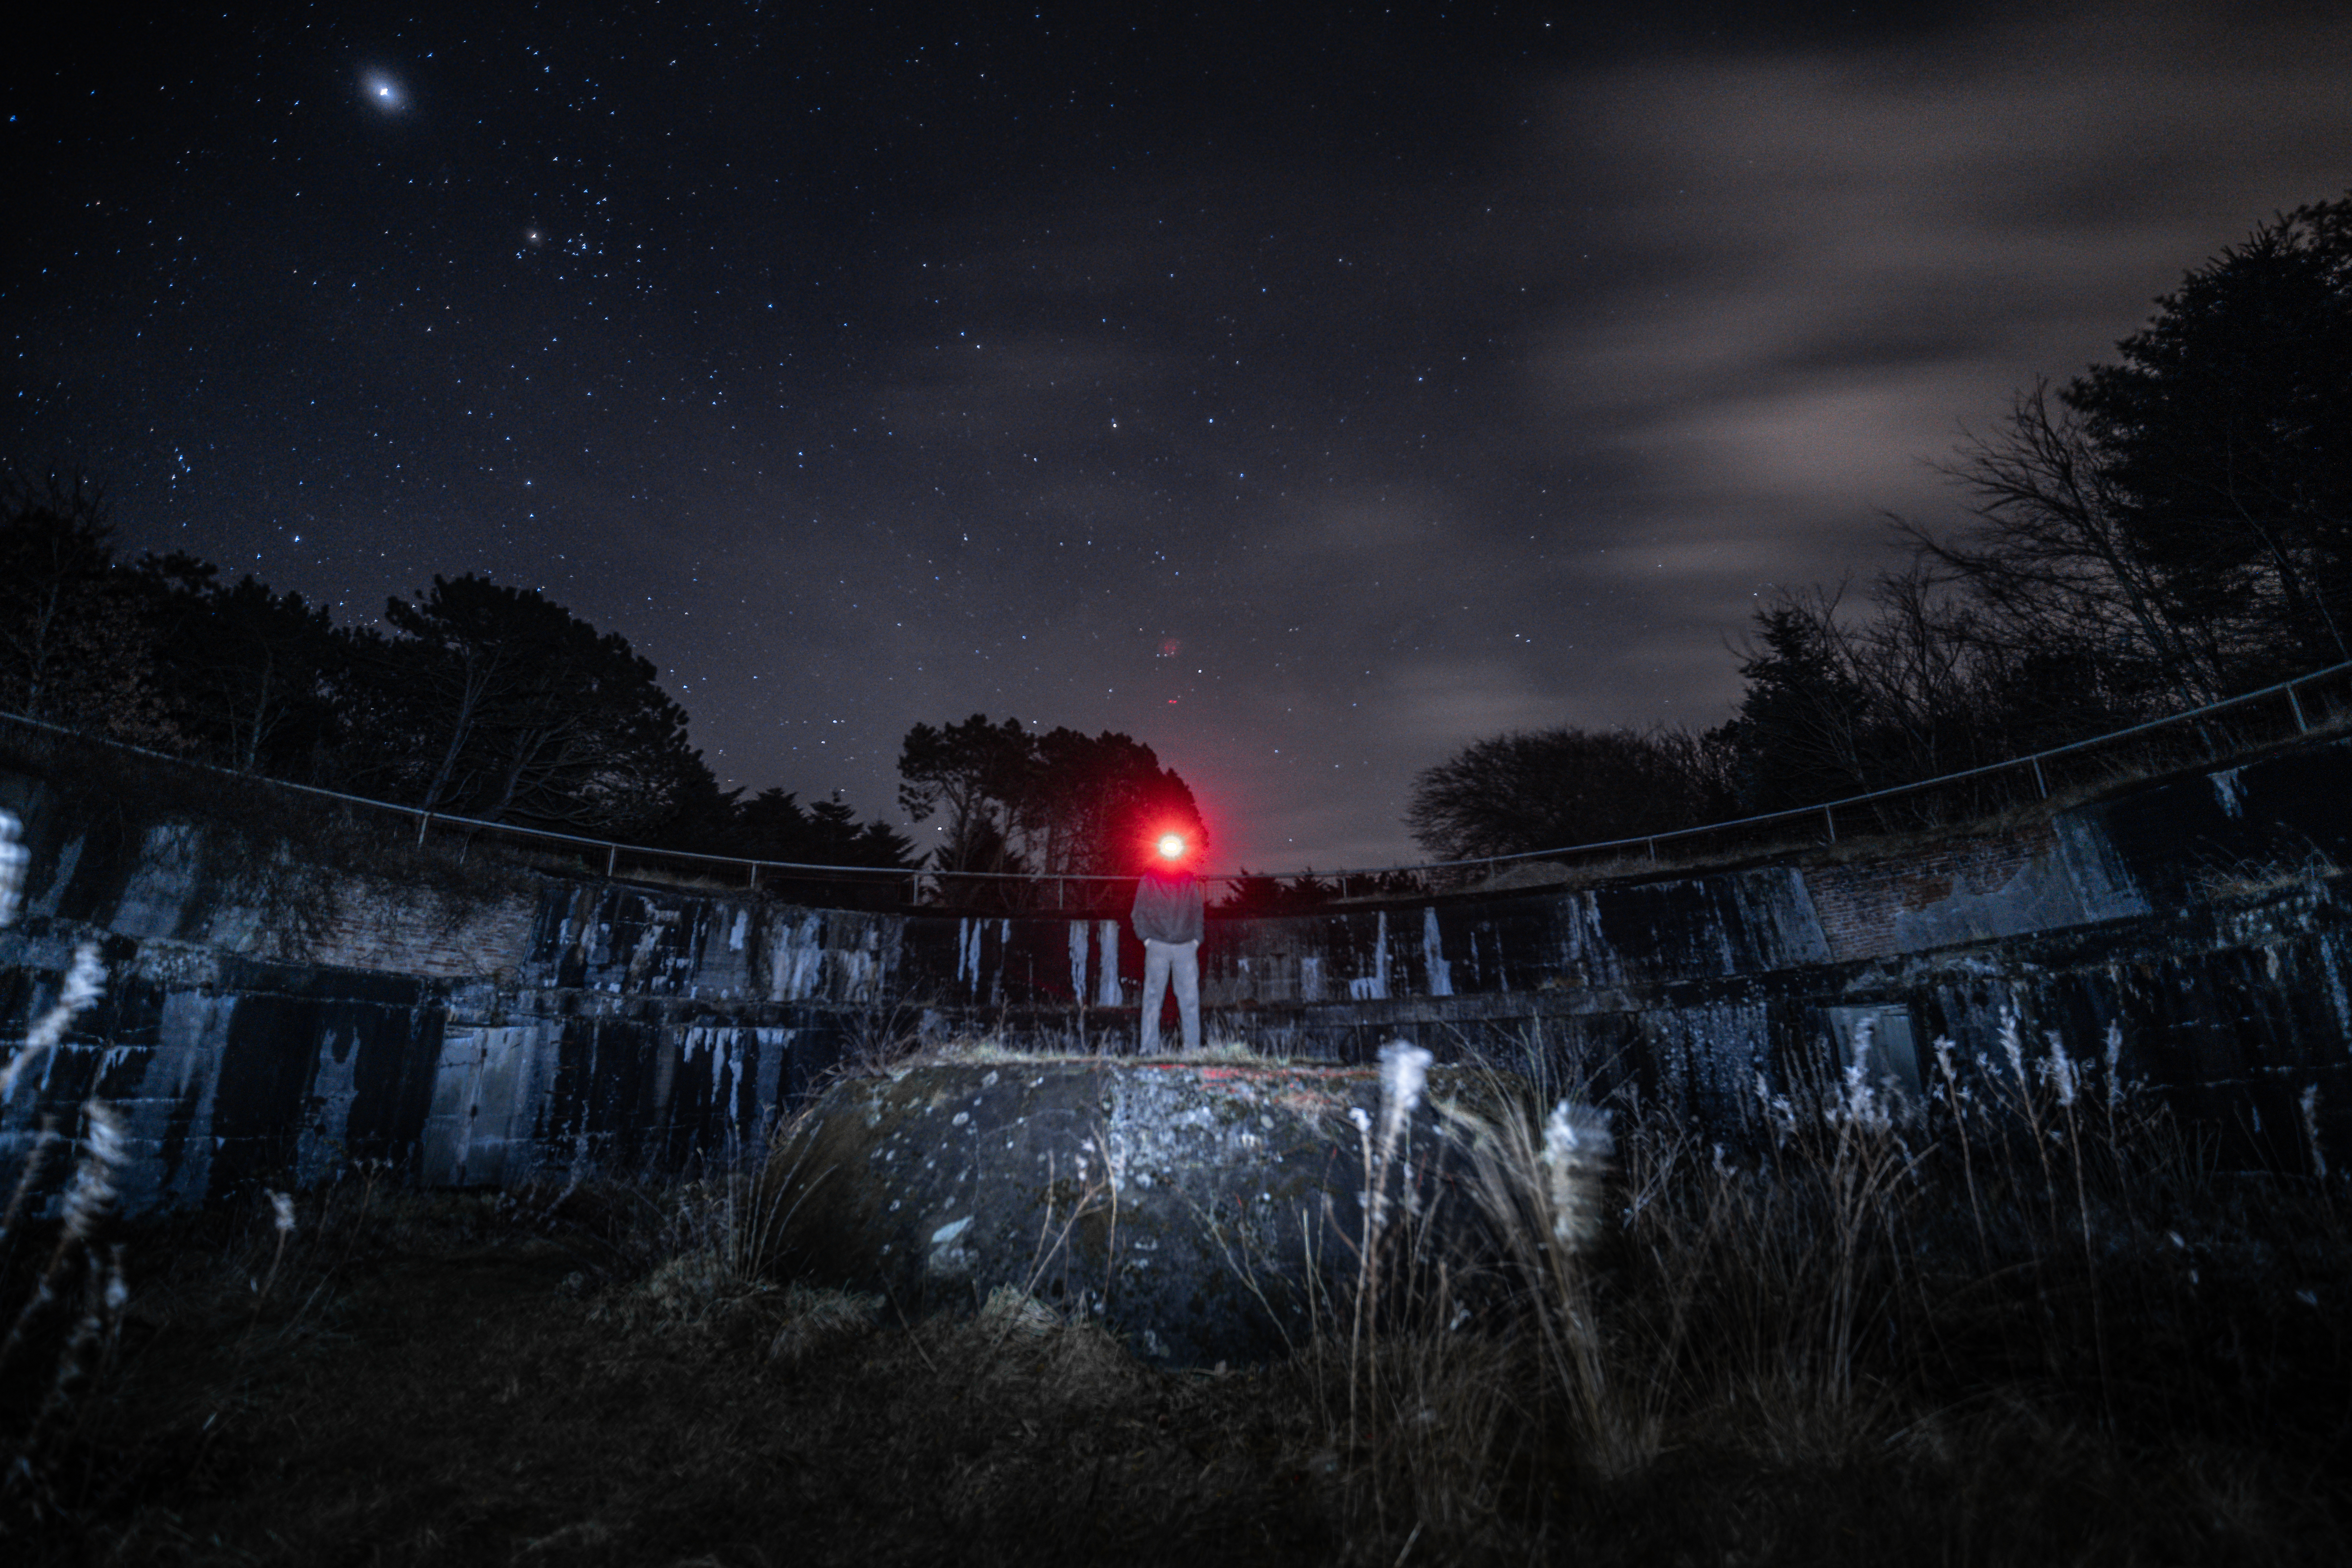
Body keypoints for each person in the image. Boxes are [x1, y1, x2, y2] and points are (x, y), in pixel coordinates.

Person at [1131, 832, 1204, 1053]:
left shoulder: (1188, 880)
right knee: (1153, 999)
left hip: (1185, 947)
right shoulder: (1149, 880)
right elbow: (1138, 912)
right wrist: (1147, 939)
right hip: (1158, 946)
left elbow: (1197, 911)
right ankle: (1148, 1049)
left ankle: (1192, 1051)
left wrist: (1195, 940)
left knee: (1190, 1001)